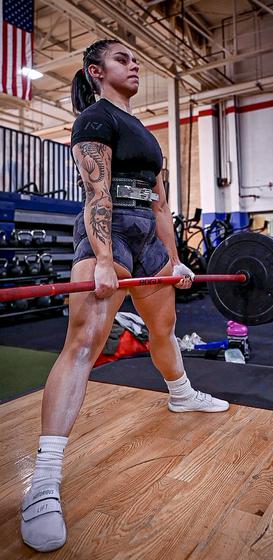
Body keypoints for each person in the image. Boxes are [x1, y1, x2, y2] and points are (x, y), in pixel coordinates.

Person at [20, 39, 229, 553]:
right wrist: (105, 260)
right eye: (122, 59)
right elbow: (98, 196)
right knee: (85, 343)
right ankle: (44, 481)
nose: (134, 65)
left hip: (147, 239)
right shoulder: (95, 119)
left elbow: (160, 204)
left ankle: (181, 396)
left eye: (137, 59)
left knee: (163, 330)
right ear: (97, 71)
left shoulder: (150, 137)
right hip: (107, 232)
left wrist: (174, 258)